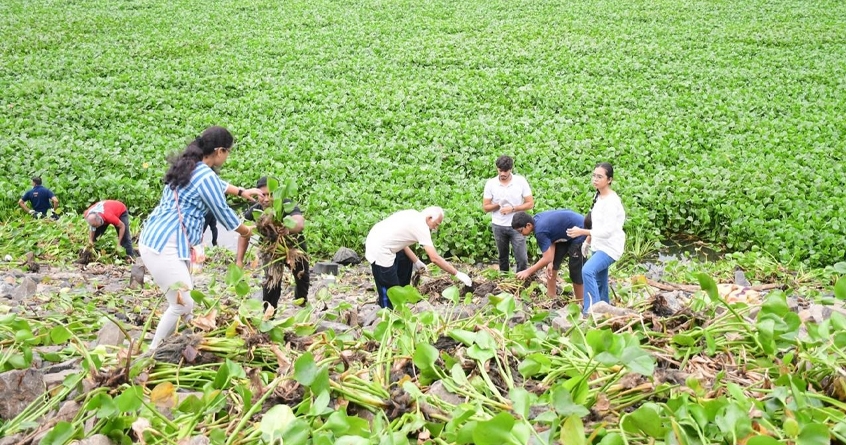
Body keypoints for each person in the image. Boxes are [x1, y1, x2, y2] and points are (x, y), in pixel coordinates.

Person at [139, 126, 263, 350]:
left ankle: (185, 344)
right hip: (165, 244)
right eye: (228, 152)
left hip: (164, 239)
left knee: (185, 302)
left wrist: (242, 192)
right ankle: (152, 353)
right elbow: (224, 214)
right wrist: (250, 231)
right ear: (219, 151)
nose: (228, 156)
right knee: (182, 304)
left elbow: (216, 185)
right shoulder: (204, 174)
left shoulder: (191, 166)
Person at [365, 207, 473, 309]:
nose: (435, 228)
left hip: (383, 240)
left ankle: (401, 299)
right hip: (378, 248)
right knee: (389, 285)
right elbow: (434, 258)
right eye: (436, 224)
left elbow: (401, 242)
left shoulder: (414, 215)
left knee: (405, 261)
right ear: (429, 218)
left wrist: (416, 261)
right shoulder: (421, 226)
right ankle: (386, 309)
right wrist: (456, 273)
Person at [236, 176, 310, 309]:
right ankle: (269, 315)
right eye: (262, 195)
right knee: (272, 283)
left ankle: (301, 306)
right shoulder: (255, 210)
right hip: (271, 249)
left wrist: (287, 229)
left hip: (294, 246)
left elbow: (299, 223)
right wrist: (239, 260)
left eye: (270, 194)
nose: (266, 199)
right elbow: (244, 234)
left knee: (302, 278)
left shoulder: (286, 204)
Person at [566, 162, 626, 315]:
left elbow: (608, 231)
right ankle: (605, 309)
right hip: (598, 245)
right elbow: (596, 224)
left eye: (600, 177)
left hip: (610, 246)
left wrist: (582, 232)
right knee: (600, 280)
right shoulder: (598, 196)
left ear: (609, 180)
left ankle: (591, 311)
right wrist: (587, 242)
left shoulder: (612, 202)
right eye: (594, 176)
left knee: (587, 271)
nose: (595, 179)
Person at [512, 210, 586, 301]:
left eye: (520, 231)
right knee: (551, 266)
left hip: (580, 230)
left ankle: (581, 302)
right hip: (566, 232)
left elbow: (546, 258)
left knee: (576, 270)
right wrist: (550, 262)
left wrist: (528, 271)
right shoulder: (535, 220)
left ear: (528, 225)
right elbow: (551, 238)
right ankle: (551, 297)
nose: (521, 234)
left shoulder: (539, 231)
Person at [483, 155, 534, 272]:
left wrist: (512, 209)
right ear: (497, 169)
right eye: (500, 170)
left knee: (522, 258)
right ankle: (504, 280)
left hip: (518, 226)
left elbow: (530, 203)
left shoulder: (520, 182)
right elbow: (486, 207)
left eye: (506, 171)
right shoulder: (491, 184)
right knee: (502, 257)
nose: (503, 173)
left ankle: (521, 280)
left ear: (511, 169)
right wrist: (498, 205)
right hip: (498, 225)